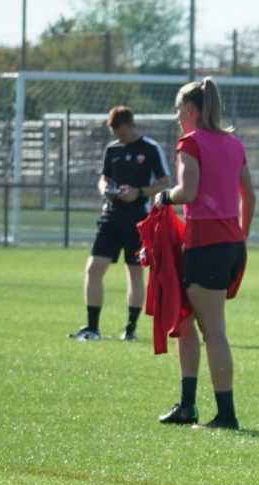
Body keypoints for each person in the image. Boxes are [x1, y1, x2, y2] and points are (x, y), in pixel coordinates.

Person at [154, 77, 255, 430]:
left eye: (178, 109)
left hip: (206, 244)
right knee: (185, 322)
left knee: (214, 331)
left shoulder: (191, 142)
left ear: (190, 109)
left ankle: (226, 415)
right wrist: (242, 236)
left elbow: (188, 191)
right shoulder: (233, 143)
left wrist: (164, 196)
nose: (176, 116)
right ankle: (187, 406)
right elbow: (249, 196)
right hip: (229, 244)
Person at [70, 106, 172, 341]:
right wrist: (106, 189)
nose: (120, 137)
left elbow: (165, 183)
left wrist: (138, 192)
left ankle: (130, 328)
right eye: (116, 134)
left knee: (134, 272)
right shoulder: (112, 149)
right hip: (111, 217)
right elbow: (104, 179)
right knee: (93, 269)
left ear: (132, 126)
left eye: (123, 133)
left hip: (138, 219)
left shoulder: (150, 148)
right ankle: (92, 328)